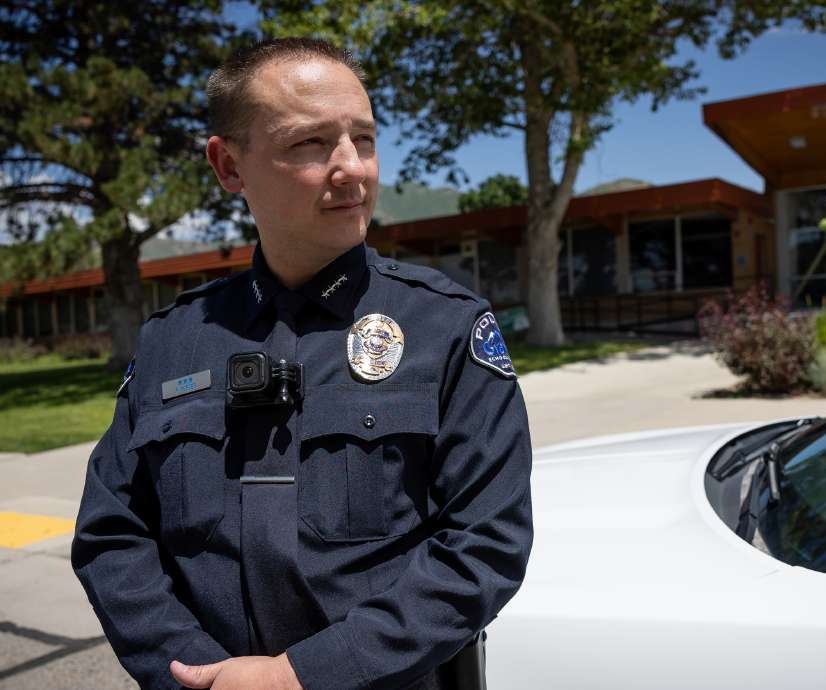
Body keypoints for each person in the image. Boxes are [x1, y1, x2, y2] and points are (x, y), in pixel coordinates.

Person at [71, 38, 534, 690]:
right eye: (310, 144)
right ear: (228, 166)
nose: (352, 168)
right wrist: (194, 674)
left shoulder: (447, 328)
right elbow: (111, 536)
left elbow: (485, 548)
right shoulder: (172, 342)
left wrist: (303, 676)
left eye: (364, 139)